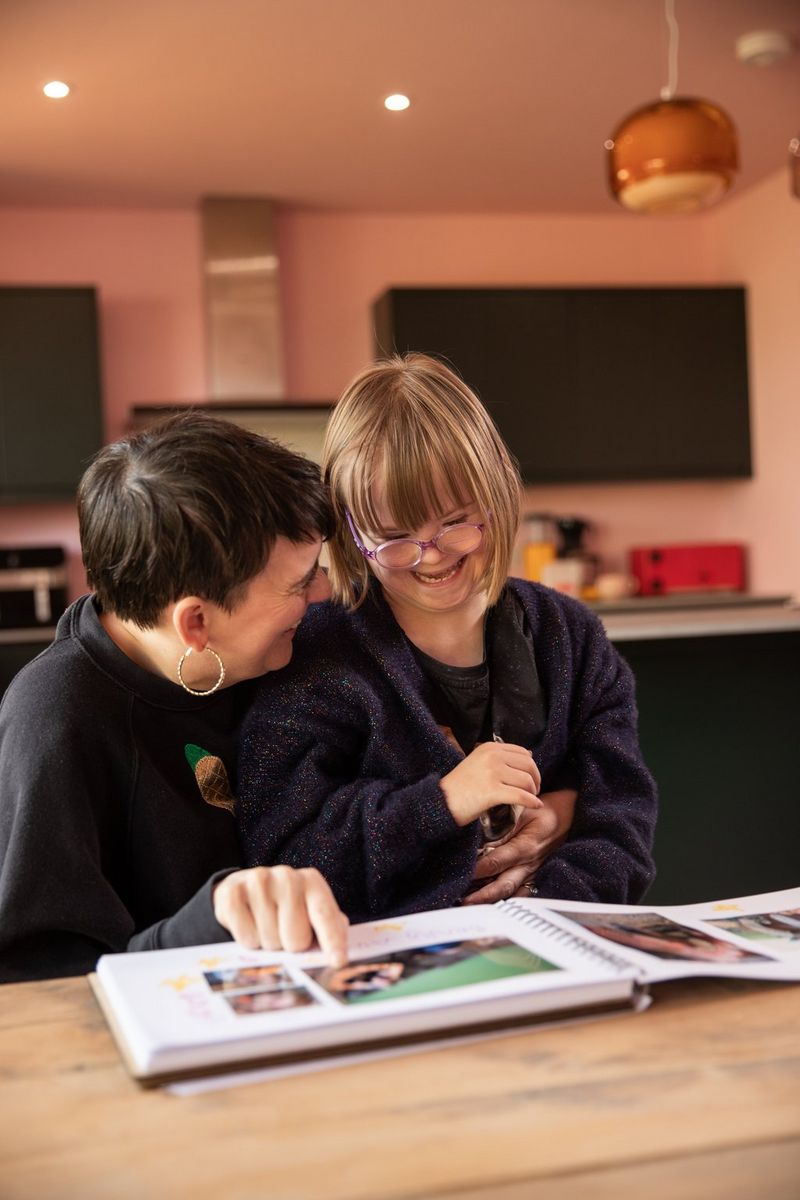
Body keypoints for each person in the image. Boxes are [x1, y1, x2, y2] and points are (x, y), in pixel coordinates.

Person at [237, 354, 658, 923]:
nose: (431, 555)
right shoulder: (315, 656)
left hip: (563, 944)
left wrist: (542, 902)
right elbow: (289, 856)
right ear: (349, 529)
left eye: (456, 522)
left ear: (497, 492)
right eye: (394, 537)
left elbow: (624, 821)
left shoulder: (571, 636)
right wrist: (442, 804)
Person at [0, 412, 349, 984]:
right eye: (299, 583)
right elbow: (43, 984)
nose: (323, 593)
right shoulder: (56, 720)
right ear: (196, 624)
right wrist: (211, 919)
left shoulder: (282, 655)